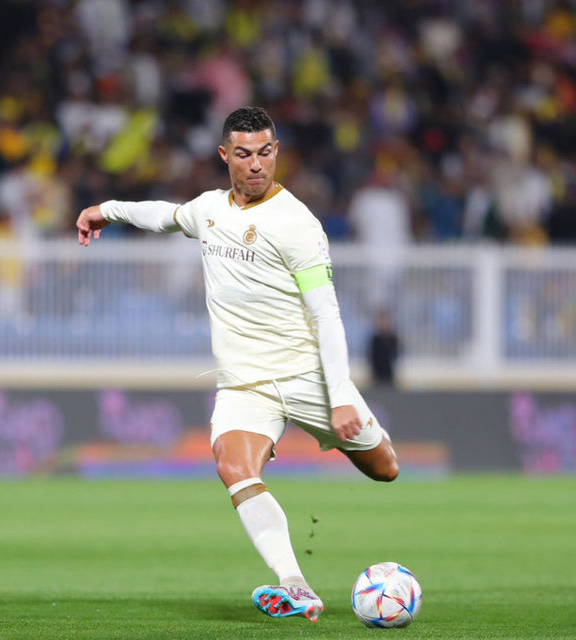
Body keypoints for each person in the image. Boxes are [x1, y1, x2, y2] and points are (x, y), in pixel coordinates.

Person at [76, 106, 399, 623]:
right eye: (244, 154)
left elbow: (327, 313)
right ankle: (295, 584)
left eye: (265, 153)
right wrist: (106, 210)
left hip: (306, 375)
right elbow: (164, 216)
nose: (256, 164)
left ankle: (356, 436)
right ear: (225, 155)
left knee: (385, 469)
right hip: (245, 384)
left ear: (277, 152)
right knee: (233, 466)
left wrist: (340, 397)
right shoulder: (210, 210)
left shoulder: (297, 224)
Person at [368, 308, 400, 386]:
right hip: (377, 376)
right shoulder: (375, 339)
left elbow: (394, 356)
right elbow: (372, 358)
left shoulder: (393, 339)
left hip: (389, 375)